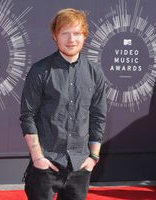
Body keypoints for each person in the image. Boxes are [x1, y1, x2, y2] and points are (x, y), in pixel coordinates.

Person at [20, 8, 107, 200]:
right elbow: (28, 116)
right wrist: (37, 157)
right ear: (55, 36)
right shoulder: (40, 71)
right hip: (45, 164)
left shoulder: (95, 73)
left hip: (80, 166)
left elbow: (98, 118)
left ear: (84, 36)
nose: (71, 39)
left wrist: (93, 158)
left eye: (77, 33)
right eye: (65, 33)